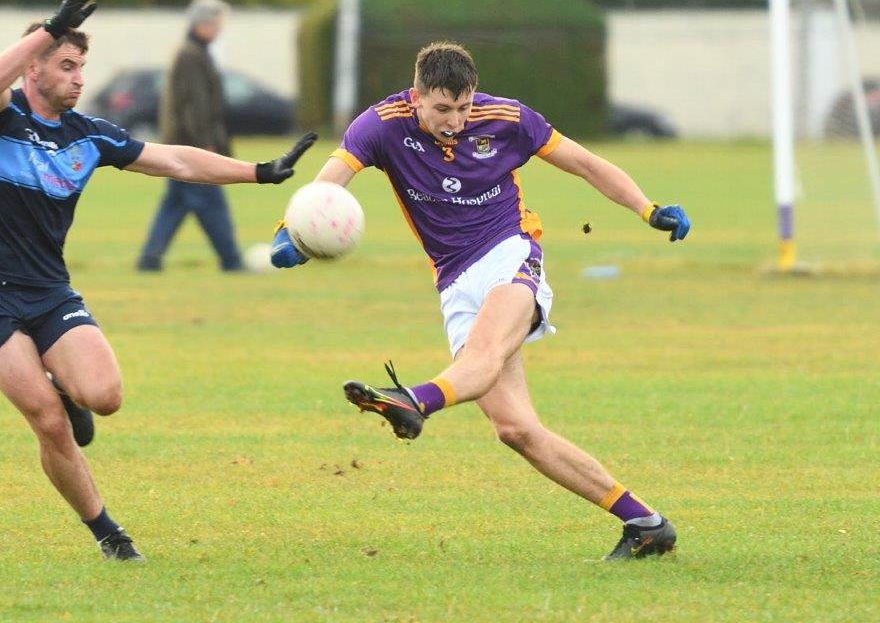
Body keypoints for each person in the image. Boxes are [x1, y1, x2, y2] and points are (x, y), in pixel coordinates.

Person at [0, 0, 316, 561]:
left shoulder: (87, 136)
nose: (80, 78)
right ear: (34, 69)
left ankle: (67, 389)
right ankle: (110, 535)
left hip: (47, 289)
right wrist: (49, 25)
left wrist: (258, 172)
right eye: (67, 65)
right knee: (48, 420)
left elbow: (176, 160)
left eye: (81, 67)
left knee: (106, 396)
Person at [271, 42, 690, 561]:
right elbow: (328, 186)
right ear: (417, 95)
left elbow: (585, 163)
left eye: (464, 107)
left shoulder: (508, 118)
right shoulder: (380, 124)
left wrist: (647, 210)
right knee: (515, 429)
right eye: (443, 109)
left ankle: (415, 399)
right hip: (452, 280)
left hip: (511, 252)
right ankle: (645, 523)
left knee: (483, 357)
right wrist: (293, 233)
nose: (456, 121)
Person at [136, 0, 244, 272]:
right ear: (202, 25)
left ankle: (150, 259)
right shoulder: (190, 55)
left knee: (174, 205)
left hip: (181, 144)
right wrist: (206, 144)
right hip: (190, 145)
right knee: (211, 204)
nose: (219, 31)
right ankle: (232, 261)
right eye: (217, 25)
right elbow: (195, 105)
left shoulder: (193, 52)